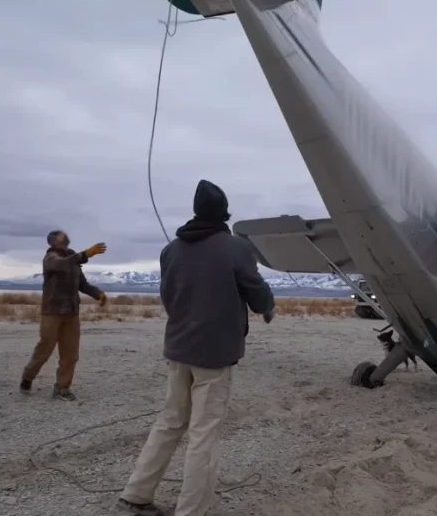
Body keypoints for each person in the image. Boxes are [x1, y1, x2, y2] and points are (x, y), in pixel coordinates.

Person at [118, 179, 275, 516]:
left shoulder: (170, 250)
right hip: (214, 354)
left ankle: (135, 495)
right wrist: (267, 308)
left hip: (179, 349)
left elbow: (168, 297)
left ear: (196, 211)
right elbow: (257, 291)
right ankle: (192, 511)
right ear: (224, 214)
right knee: (203, 432)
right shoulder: (236, 248)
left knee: (170, 421)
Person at [19, 231, 108, 401]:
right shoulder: (50, 258)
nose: (65, 237)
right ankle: (28, 377)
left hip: (72, 313)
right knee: (44, 350)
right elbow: (60, 265)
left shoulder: (73, 257)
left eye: (65, 235)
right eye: (60, 236)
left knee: (70, 354)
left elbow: (82, 284)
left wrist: (97, 294)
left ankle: (62, 388)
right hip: (52, 312)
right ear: (52, 242)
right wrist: (85, 254)